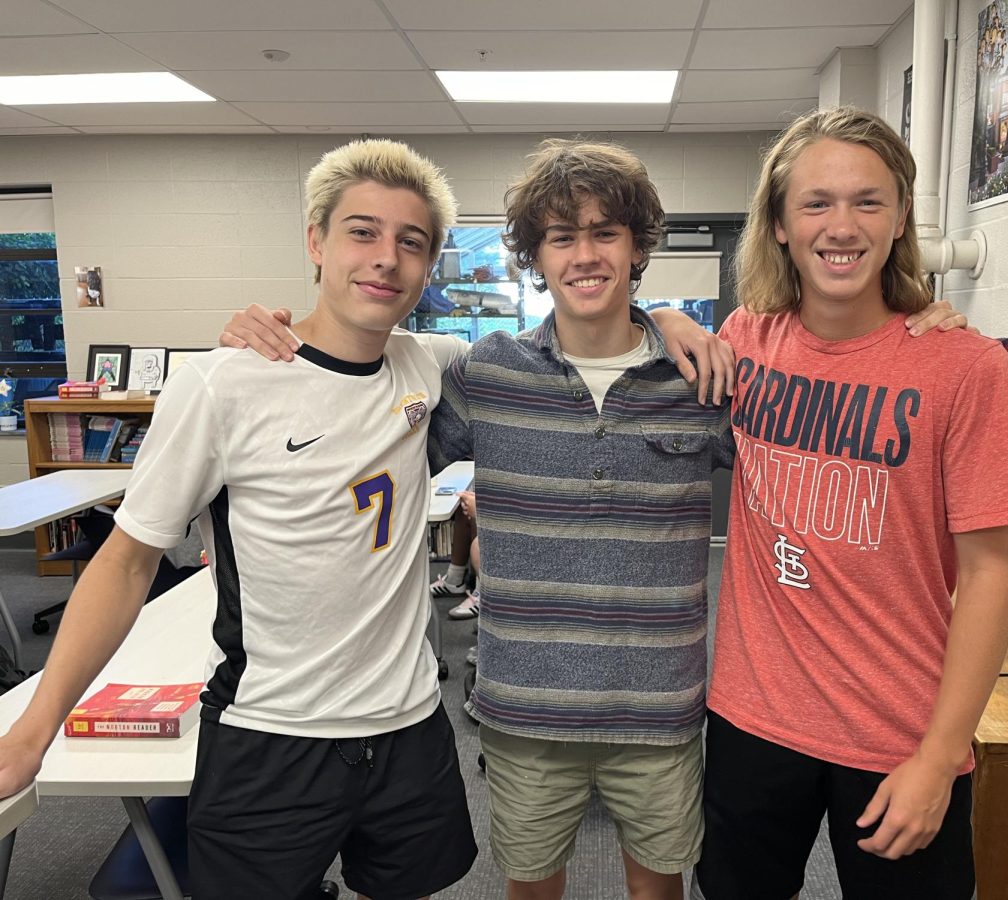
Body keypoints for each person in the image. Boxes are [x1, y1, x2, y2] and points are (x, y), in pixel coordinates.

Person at [220, 140, 969, 900]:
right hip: (525, 710)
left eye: (606, 232)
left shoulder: (701, 377)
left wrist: (924, 320)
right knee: (532, 885)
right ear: (533, 256)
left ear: (639, 246)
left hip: (660, 712)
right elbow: (370, 408)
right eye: (560, 236)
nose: (585, 255)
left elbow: (818, 391)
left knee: (658, 886)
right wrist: (276, 341)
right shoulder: (487, 375)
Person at [0, 138, 480, 900]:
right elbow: (125, 563)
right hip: (272, 733)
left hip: (410, 724)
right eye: (362, 232)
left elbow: (563, 347)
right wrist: (35, 729)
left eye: (410, 242)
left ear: (428, 267)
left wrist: (662, 322)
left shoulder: (429, 363)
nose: (386, 257)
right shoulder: (224, 386)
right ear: (316, 241)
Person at [695, 107, 1008, 900]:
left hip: (901, 731)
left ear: (901, 216)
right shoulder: (750, 339)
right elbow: (648, 341)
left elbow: (990, 575)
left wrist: (941, 756)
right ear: (779, 223)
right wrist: (672, 316)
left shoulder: (966, 369)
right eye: (816, 203)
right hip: (753, 718)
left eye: (867, 201)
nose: (840, 226)